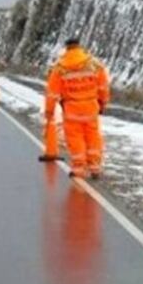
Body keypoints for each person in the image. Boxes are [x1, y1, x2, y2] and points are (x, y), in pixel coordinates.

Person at [44, 38, 110, 179]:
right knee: (93, 136)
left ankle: (79, 168)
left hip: (71, 109)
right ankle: (95, 167)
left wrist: (49, 111)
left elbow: (52, 93)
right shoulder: (94, 64)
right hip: (91, 107)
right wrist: (103, 103)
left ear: (67, 48)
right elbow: (103, 87)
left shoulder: (60, 68)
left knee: (75, 138)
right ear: (79, 47)